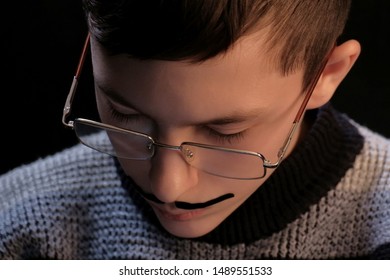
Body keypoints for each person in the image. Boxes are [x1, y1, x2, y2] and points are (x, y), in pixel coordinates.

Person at [0, 0, 389, 260]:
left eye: (225, 130)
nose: (167, 187)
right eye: (123, 113)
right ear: (90, 49)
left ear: (326, 75)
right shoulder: (16, 223)